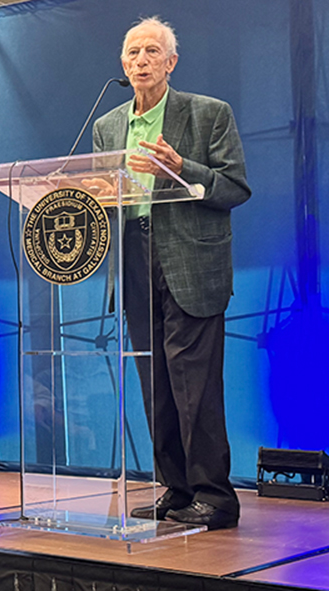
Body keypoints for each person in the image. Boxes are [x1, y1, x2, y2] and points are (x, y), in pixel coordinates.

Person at [90, 16, 250, 530]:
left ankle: (215, 497)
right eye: (133, 52)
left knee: (194, 384)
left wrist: (182, 167)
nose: (141, 60)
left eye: (152, 52)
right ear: (122, 64)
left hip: (189, 259)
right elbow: (101, 191)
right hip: (133, 256)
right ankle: (176, 490)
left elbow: (234, 188)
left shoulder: (208, 115)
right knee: (153, 379)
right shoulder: (107, 125)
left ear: (171, 62)